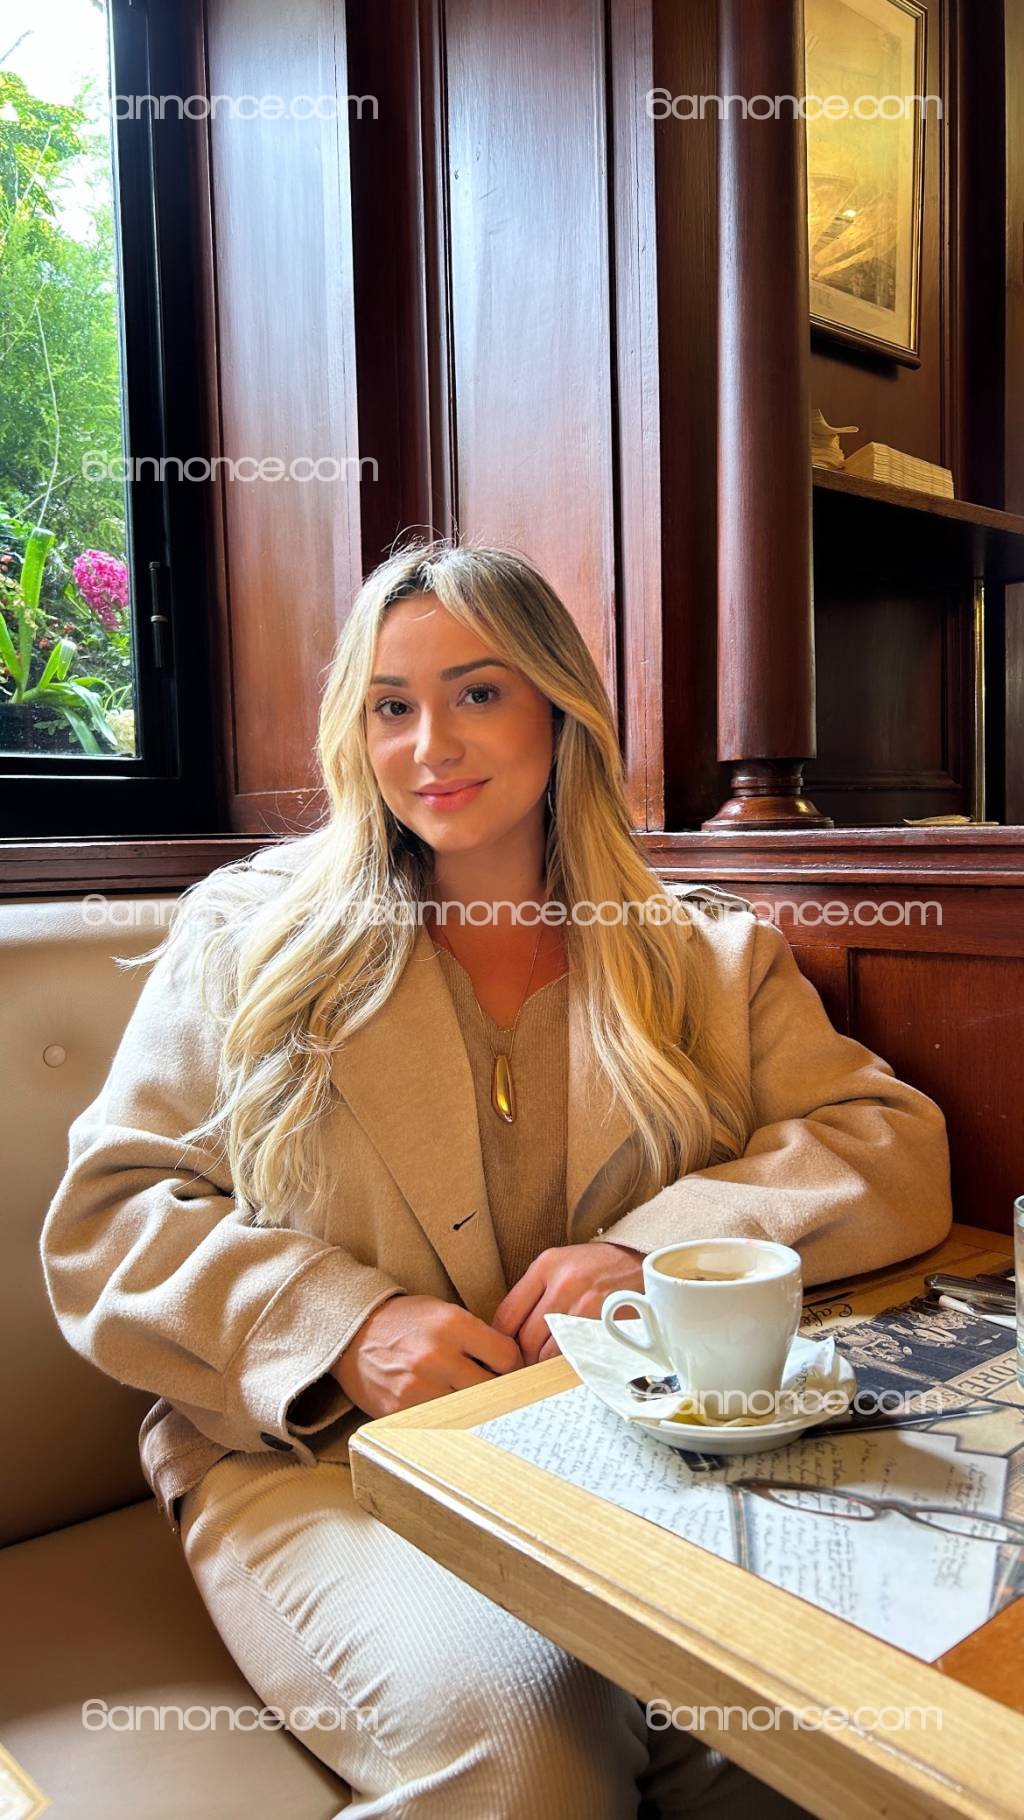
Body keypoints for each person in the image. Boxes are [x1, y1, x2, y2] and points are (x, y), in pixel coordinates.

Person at [41, 537, 953, 1818]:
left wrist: (653, 1250)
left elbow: (884, 1137)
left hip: (616, 1448)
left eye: (477, 691)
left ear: (558, 710)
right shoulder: (247, 940)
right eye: (390, 705)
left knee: (812, 1736)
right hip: (320, 1457)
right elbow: (111, 1217)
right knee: (531, 1743)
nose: (431, 744)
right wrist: (343, 1326)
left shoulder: (699, 954)